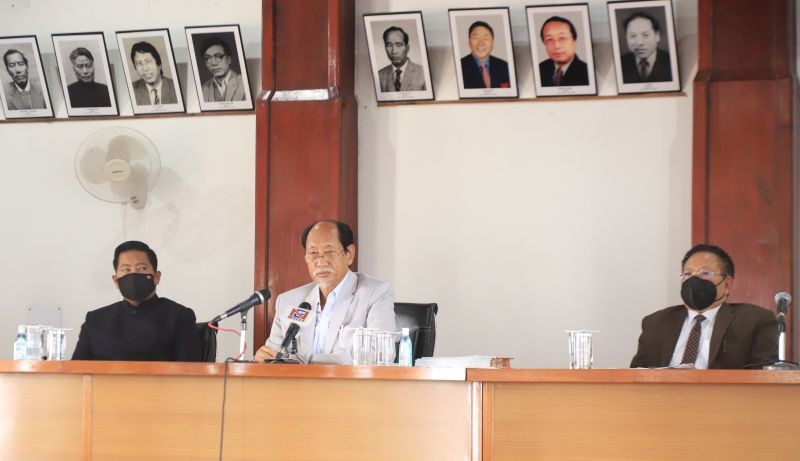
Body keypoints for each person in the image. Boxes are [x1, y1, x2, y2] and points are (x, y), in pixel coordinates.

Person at [254, 220, 396, 364]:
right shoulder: (288, 301)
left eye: (329, 252)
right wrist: (262, 359)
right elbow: (273, 357)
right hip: (295, 386)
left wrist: (305, 361)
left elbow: (381, 354)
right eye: (313, 253)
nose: (321, 262)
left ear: (349, 254)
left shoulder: (375, 294)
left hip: (348, 385)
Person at [630, 244, 778, 369]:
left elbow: (761, 376)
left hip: (723, 401)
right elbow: (636, 375)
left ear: (727, 284)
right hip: (665, 399)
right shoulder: (656, 323)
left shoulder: (754, 321)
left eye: (705, 273)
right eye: (687, 274)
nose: (694, 280)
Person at [72, 241, 202, 361]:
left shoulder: (179, 316)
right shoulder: (94, 320)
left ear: (156, 277)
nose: (133, 275)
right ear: (116, 281)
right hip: (101, 386)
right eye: (126, 270)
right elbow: (75, 372)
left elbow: (190, 374)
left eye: (142, 268)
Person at [620, 11, 672, 83]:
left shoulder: (671, 62)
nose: (639, 42)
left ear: (657, 36)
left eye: (645, 35)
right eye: (633, 36)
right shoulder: (621, 63)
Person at [538, 16, 589, 87]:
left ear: (574, 41)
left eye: (562, 38)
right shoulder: (539, 70)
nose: (556, 46)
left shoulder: (587, 72)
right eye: (549, 39)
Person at [460, 21, 510, 89]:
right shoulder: (460, 67)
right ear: (469, 41)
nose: (481, 43)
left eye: (485, 38)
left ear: (492, 43)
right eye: (476, 38)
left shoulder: (505, 67)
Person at [377, 26, 426, 92]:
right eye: (389, 45)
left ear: (407, 48)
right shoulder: (379, 75)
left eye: (399, 45)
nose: (394, 51)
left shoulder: (423, 73)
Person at [129, 41, 177, 105]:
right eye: (139, 63)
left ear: (159, 64)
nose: (145, 68)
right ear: (135, 68)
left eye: (148, 61)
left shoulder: (176, 87)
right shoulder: (131, 90)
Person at [199, 36, 246, 102]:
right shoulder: (204, 89)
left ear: (229, 59)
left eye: (218, 57)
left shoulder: (244, 83)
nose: (213, 63)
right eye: (207, 58)